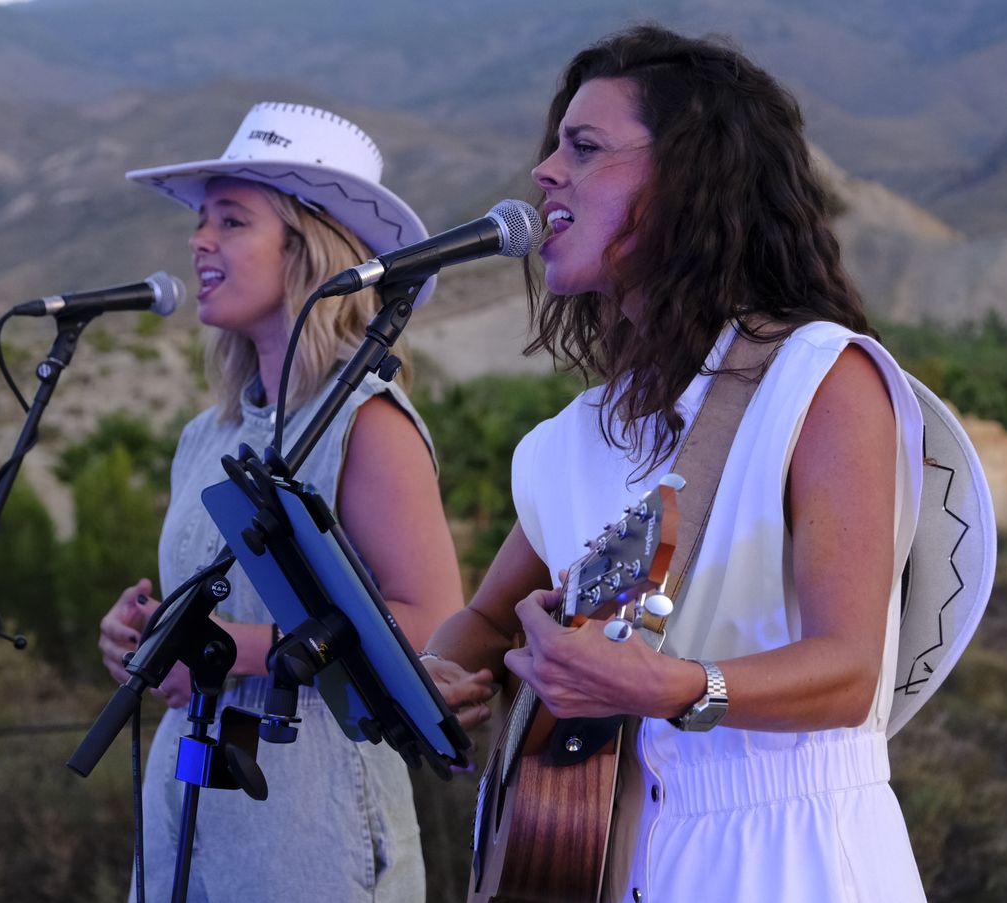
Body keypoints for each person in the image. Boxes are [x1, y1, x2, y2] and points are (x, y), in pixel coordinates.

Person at [421, 25, 930, 902]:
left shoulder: (820, 378)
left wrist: (668, 685)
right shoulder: (575, 440)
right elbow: (483, 621)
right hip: (614, 854)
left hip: (790, 853)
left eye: (583, 148)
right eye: (552, 147)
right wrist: (441, 674)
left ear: (692, 180)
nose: (544, 172)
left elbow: (850, 670)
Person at [95, 102, 464, 902]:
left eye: (231, 222)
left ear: (311, 248)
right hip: (189, 803)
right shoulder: (207, 432)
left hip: (309, 815)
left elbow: (433, 621)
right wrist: (144, 638)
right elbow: (212, 610)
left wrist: (230, 648)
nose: (198, 242)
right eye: (202, 221)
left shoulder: (368, 420)